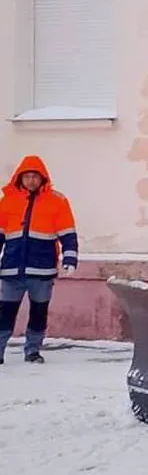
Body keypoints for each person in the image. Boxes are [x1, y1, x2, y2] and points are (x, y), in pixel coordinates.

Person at [0, 155, 78, 364]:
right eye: (27, 176)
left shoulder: (57, 201)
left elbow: (68, 233)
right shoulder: (7, 201)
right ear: (20, 178)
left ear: (42, 178)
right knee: (4, 313)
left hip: (42, 270)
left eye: (35, 176)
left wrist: (70, 258)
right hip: (11, 270)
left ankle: (33, 351)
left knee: (38, 313)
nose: (31, 180)